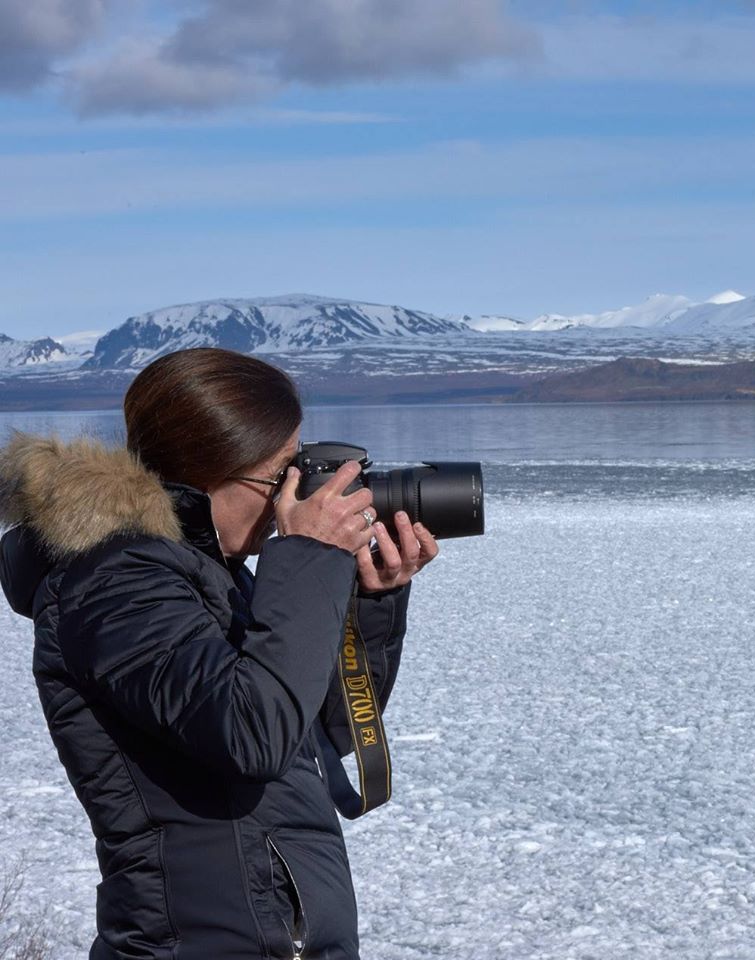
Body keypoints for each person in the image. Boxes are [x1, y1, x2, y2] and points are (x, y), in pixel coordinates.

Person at [0, 347, 438, 960]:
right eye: (278, 477)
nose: (294, 496)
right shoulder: (115, 582)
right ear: (205, 468)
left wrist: (370, 597)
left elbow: (320, 731)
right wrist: (309, 556)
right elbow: (251, 734)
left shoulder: (214, 575)